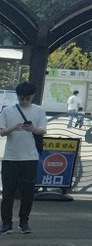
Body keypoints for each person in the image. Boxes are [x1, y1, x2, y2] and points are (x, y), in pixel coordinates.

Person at [0, 81, 47, 234]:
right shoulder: (8, 111)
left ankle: (23, 222)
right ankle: (6, 223)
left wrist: (32, 129)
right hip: (10, 158)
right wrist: (15, 127)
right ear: (17, 97)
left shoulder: (39, 111)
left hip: (30, 158)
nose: (24, 101)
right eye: (21, 98)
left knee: (28, 192)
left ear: (32, 96)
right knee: (8, 192)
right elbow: (1, 132)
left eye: (27, 98)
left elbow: (42, 131)